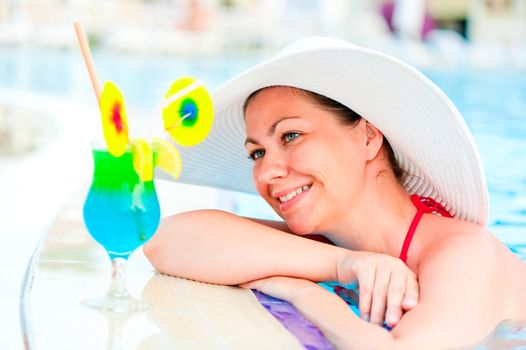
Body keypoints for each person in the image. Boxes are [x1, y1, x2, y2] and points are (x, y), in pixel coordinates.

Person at [144, 37, 526, 349]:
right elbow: (164, 241)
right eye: (257, 153)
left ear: (368, 137)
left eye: (290, 135)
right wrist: (345, 265)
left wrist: (308, 295)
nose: (267, 171)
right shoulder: (329, 246)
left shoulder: (465, 253)